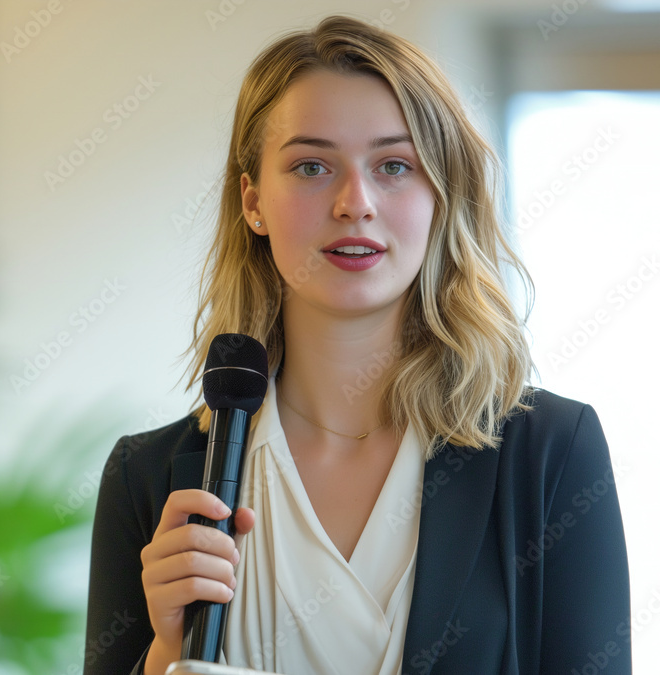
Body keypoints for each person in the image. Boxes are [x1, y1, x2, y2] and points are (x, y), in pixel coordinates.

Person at [85, 15, 630, 675]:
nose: (355, 202)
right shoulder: (148, 478)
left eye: (394, 165)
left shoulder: (548, 454)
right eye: (312, 166)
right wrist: (165, 653)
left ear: (440, 194)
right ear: (253, 201)